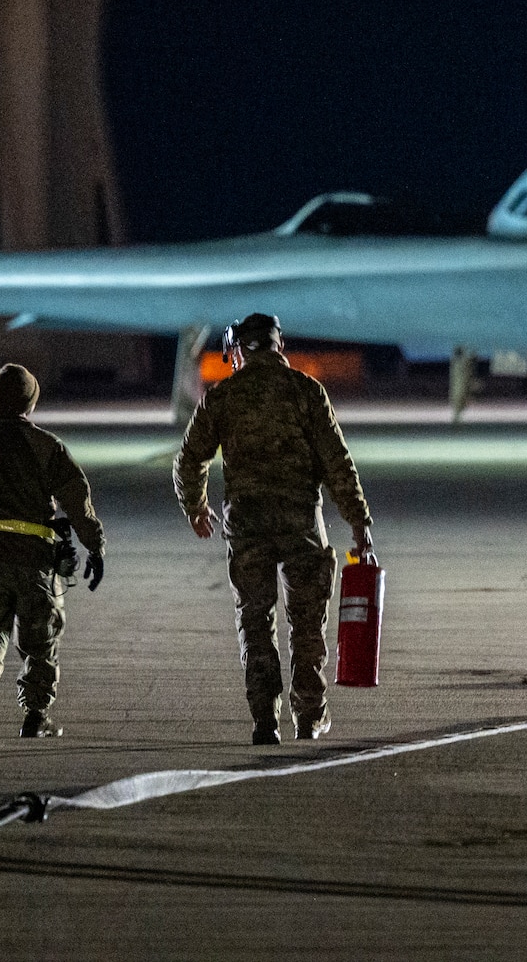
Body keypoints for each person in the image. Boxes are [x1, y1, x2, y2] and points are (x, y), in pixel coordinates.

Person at [174, 313, 372, 745]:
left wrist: (196, 506)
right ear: (278, 347)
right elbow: (338, 463)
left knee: (255, 621)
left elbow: (189, 459)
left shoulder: (223, 396)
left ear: (239, 351)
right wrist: (358, 522)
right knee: (307, 624)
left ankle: (264, 720)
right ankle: (308, 717)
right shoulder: (307, 392)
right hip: (301, 521)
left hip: (246, 525)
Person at [0, 363, 105, 742]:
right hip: (34, 559)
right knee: (39, 639)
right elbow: (77, 499)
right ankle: (35, 715)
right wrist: (94, 545)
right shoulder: (48, 447)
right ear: (31, 402)